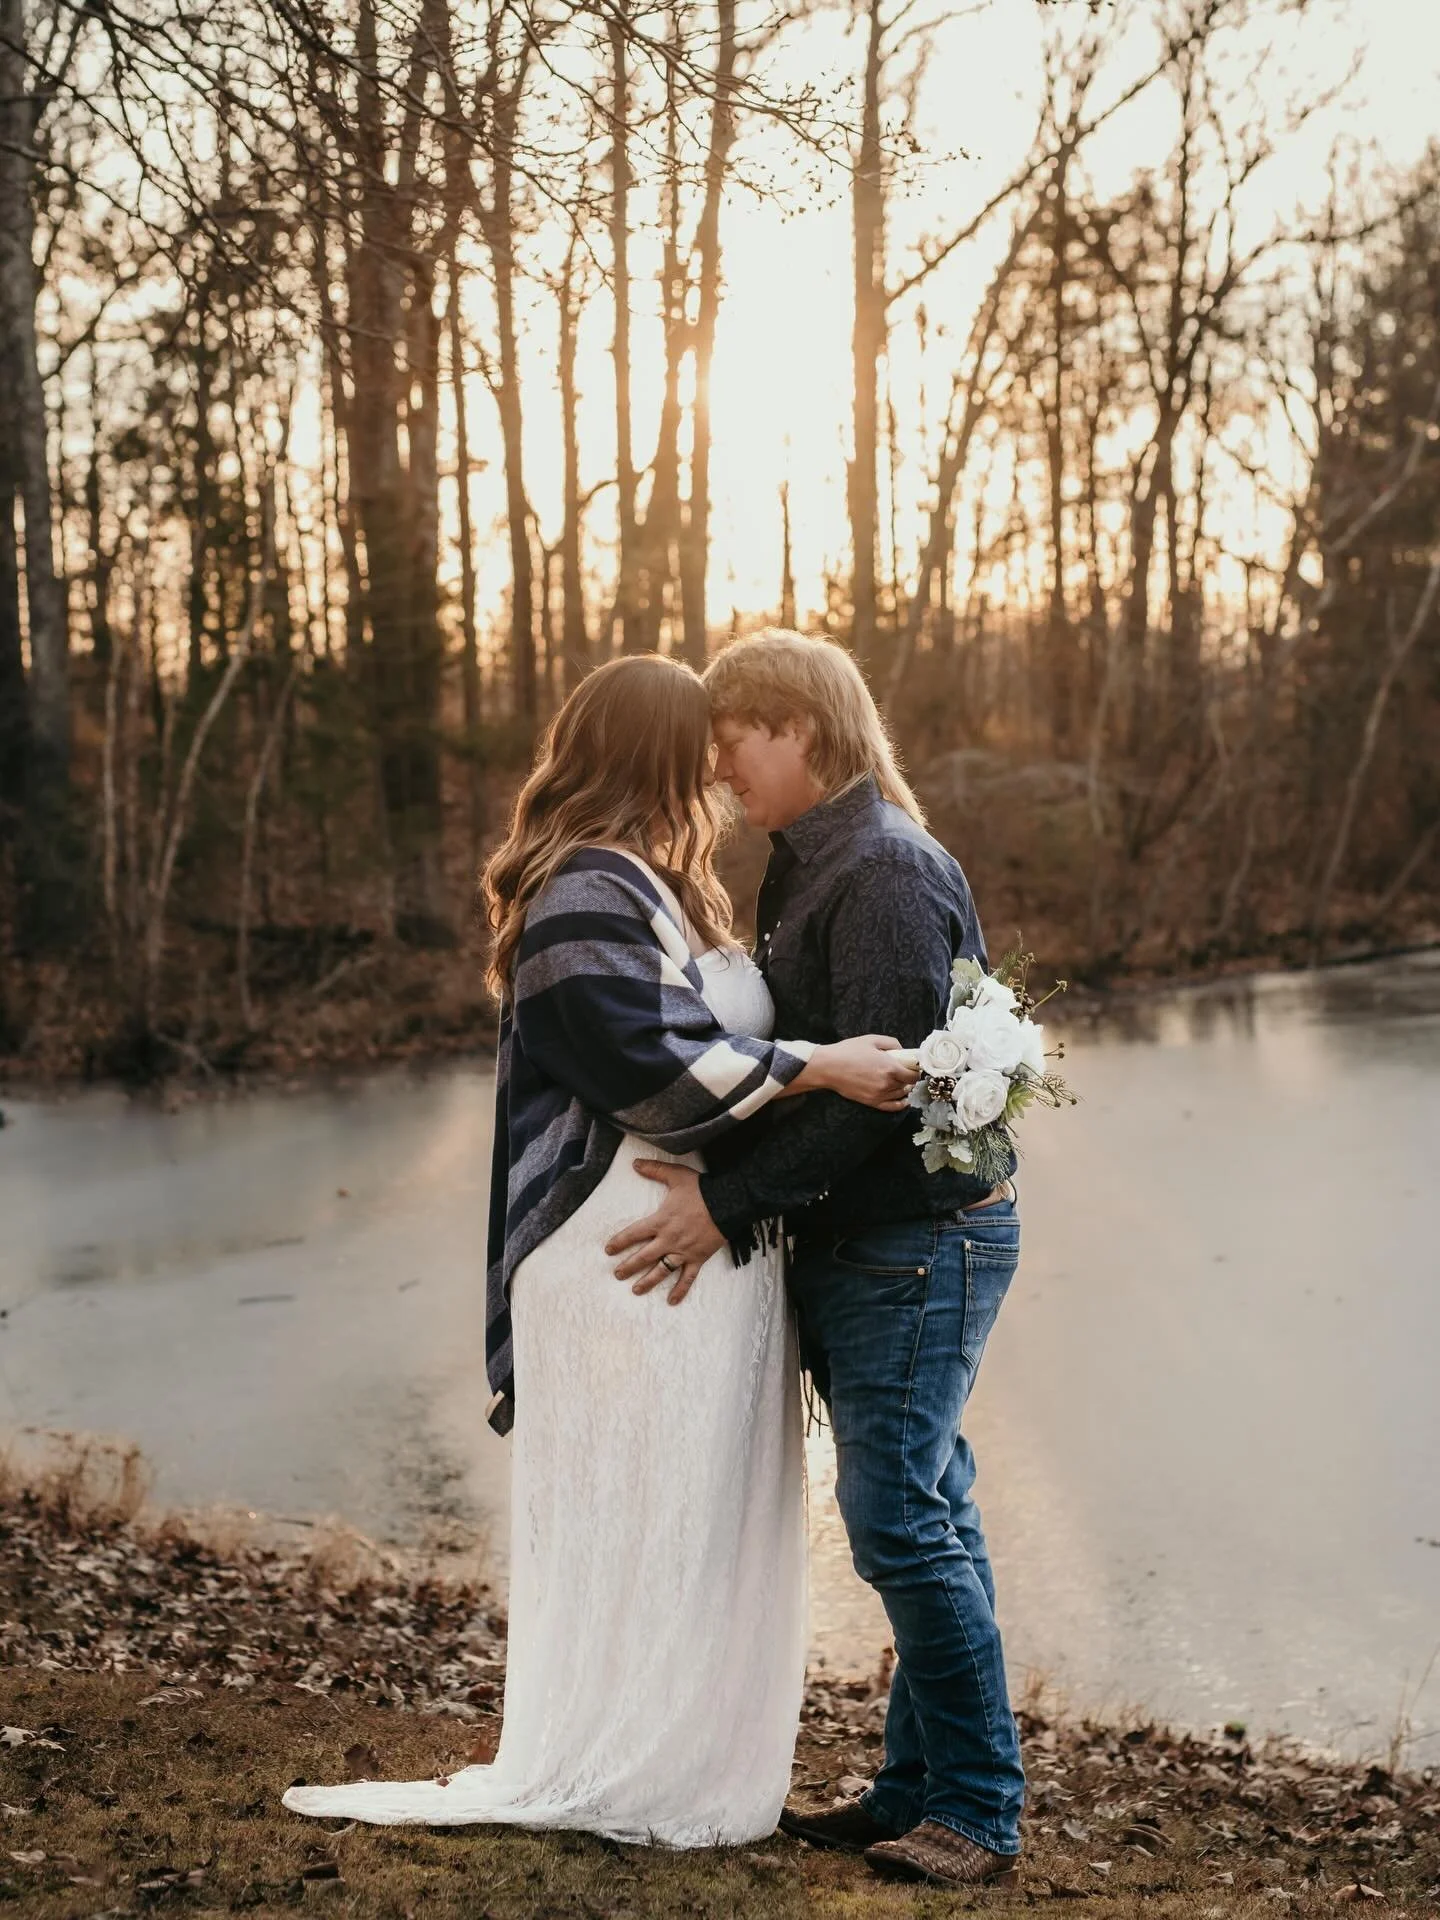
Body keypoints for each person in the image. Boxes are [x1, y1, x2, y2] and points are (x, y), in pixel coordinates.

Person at [281, 652, 914, 1845]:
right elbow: (650, 1073)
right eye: (706, 745)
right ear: (657, 755)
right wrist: (821, 1065)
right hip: (622, 1253)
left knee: (691, 1512)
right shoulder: (585, 888)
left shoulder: (661, 886)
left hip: (686, 1252)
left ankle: (680, 1756)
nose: (724, 767)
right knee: (641, 1515)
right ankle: (628, 1768)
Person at [606, 630, 1026, 1890]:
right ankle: (914, 1788)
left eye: (734, 739)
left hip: (919, 1236)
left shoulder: (885, 872)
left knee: (898, 1517)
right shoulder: (810, 868)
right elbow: (803, 1068)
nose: (721, 765)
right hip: (871, 1240)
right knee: (930, 1503)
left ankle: (978, 1810)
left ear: (800, 727)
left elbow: (873, 1095)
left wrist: (722, 1208)